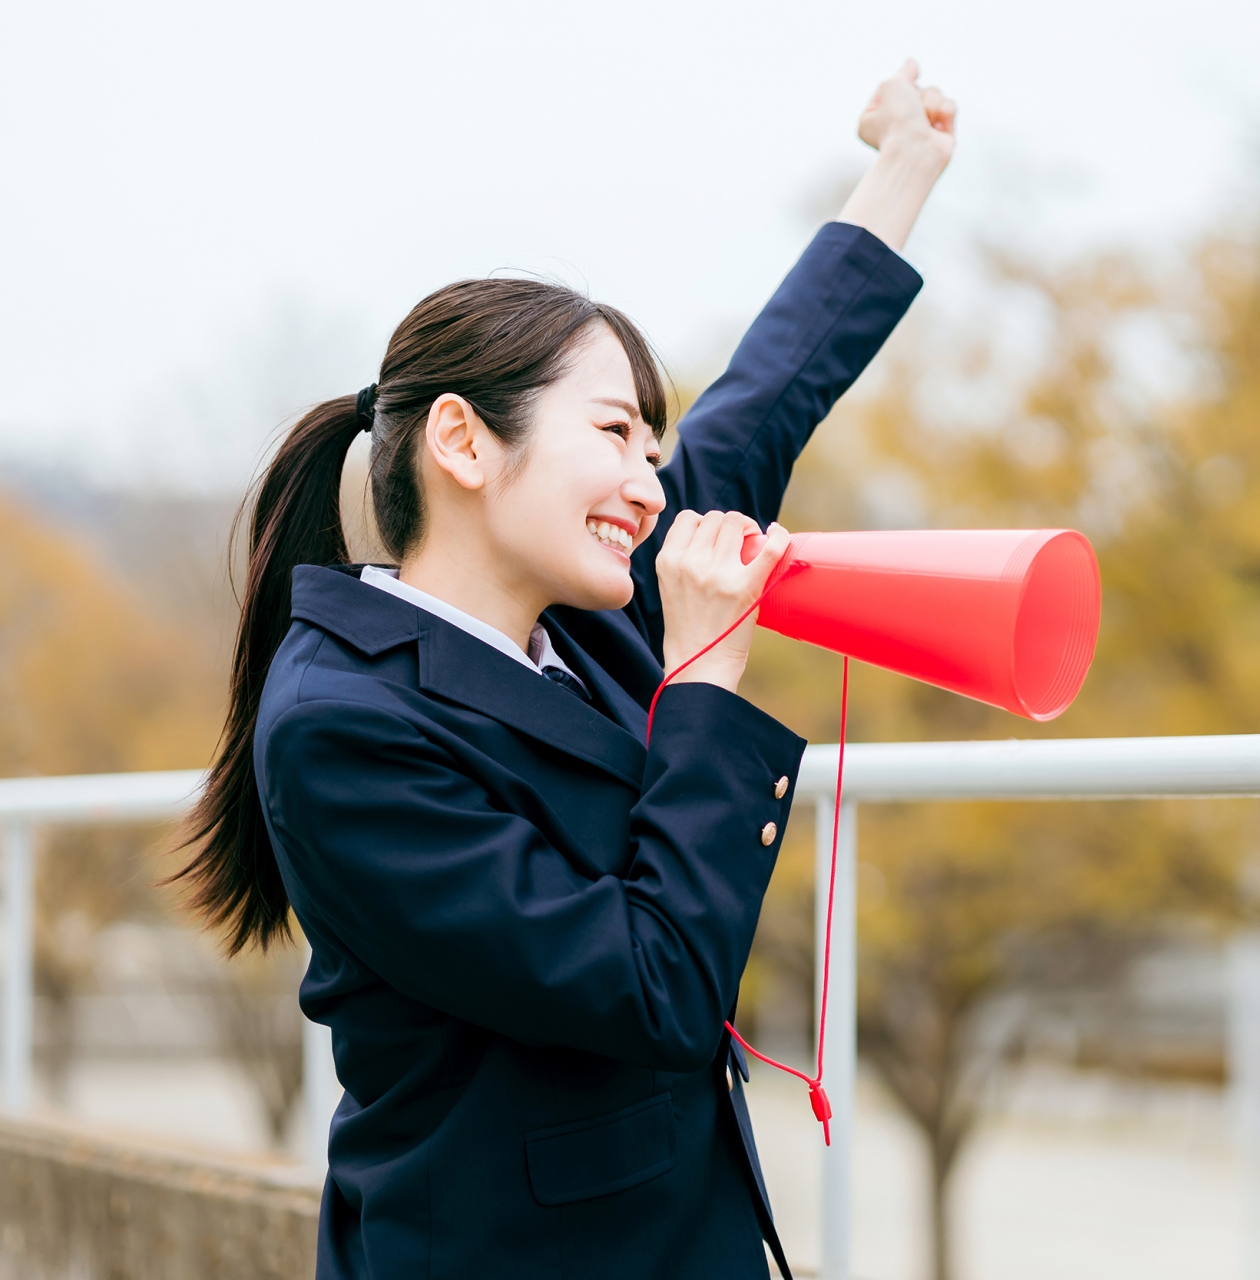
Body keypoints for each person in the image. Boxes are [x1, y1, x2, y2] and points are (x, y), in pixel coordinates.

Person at [173, 61, 956, 1280]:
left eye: (652, 442)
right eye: (613, 434)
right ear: (462, 441)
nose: (652, 480)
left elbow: (761, 404)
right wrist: (699, 683)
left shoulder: (583, 615)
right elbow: (650, 986)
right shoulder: (340, 725)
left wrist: (903, 163)